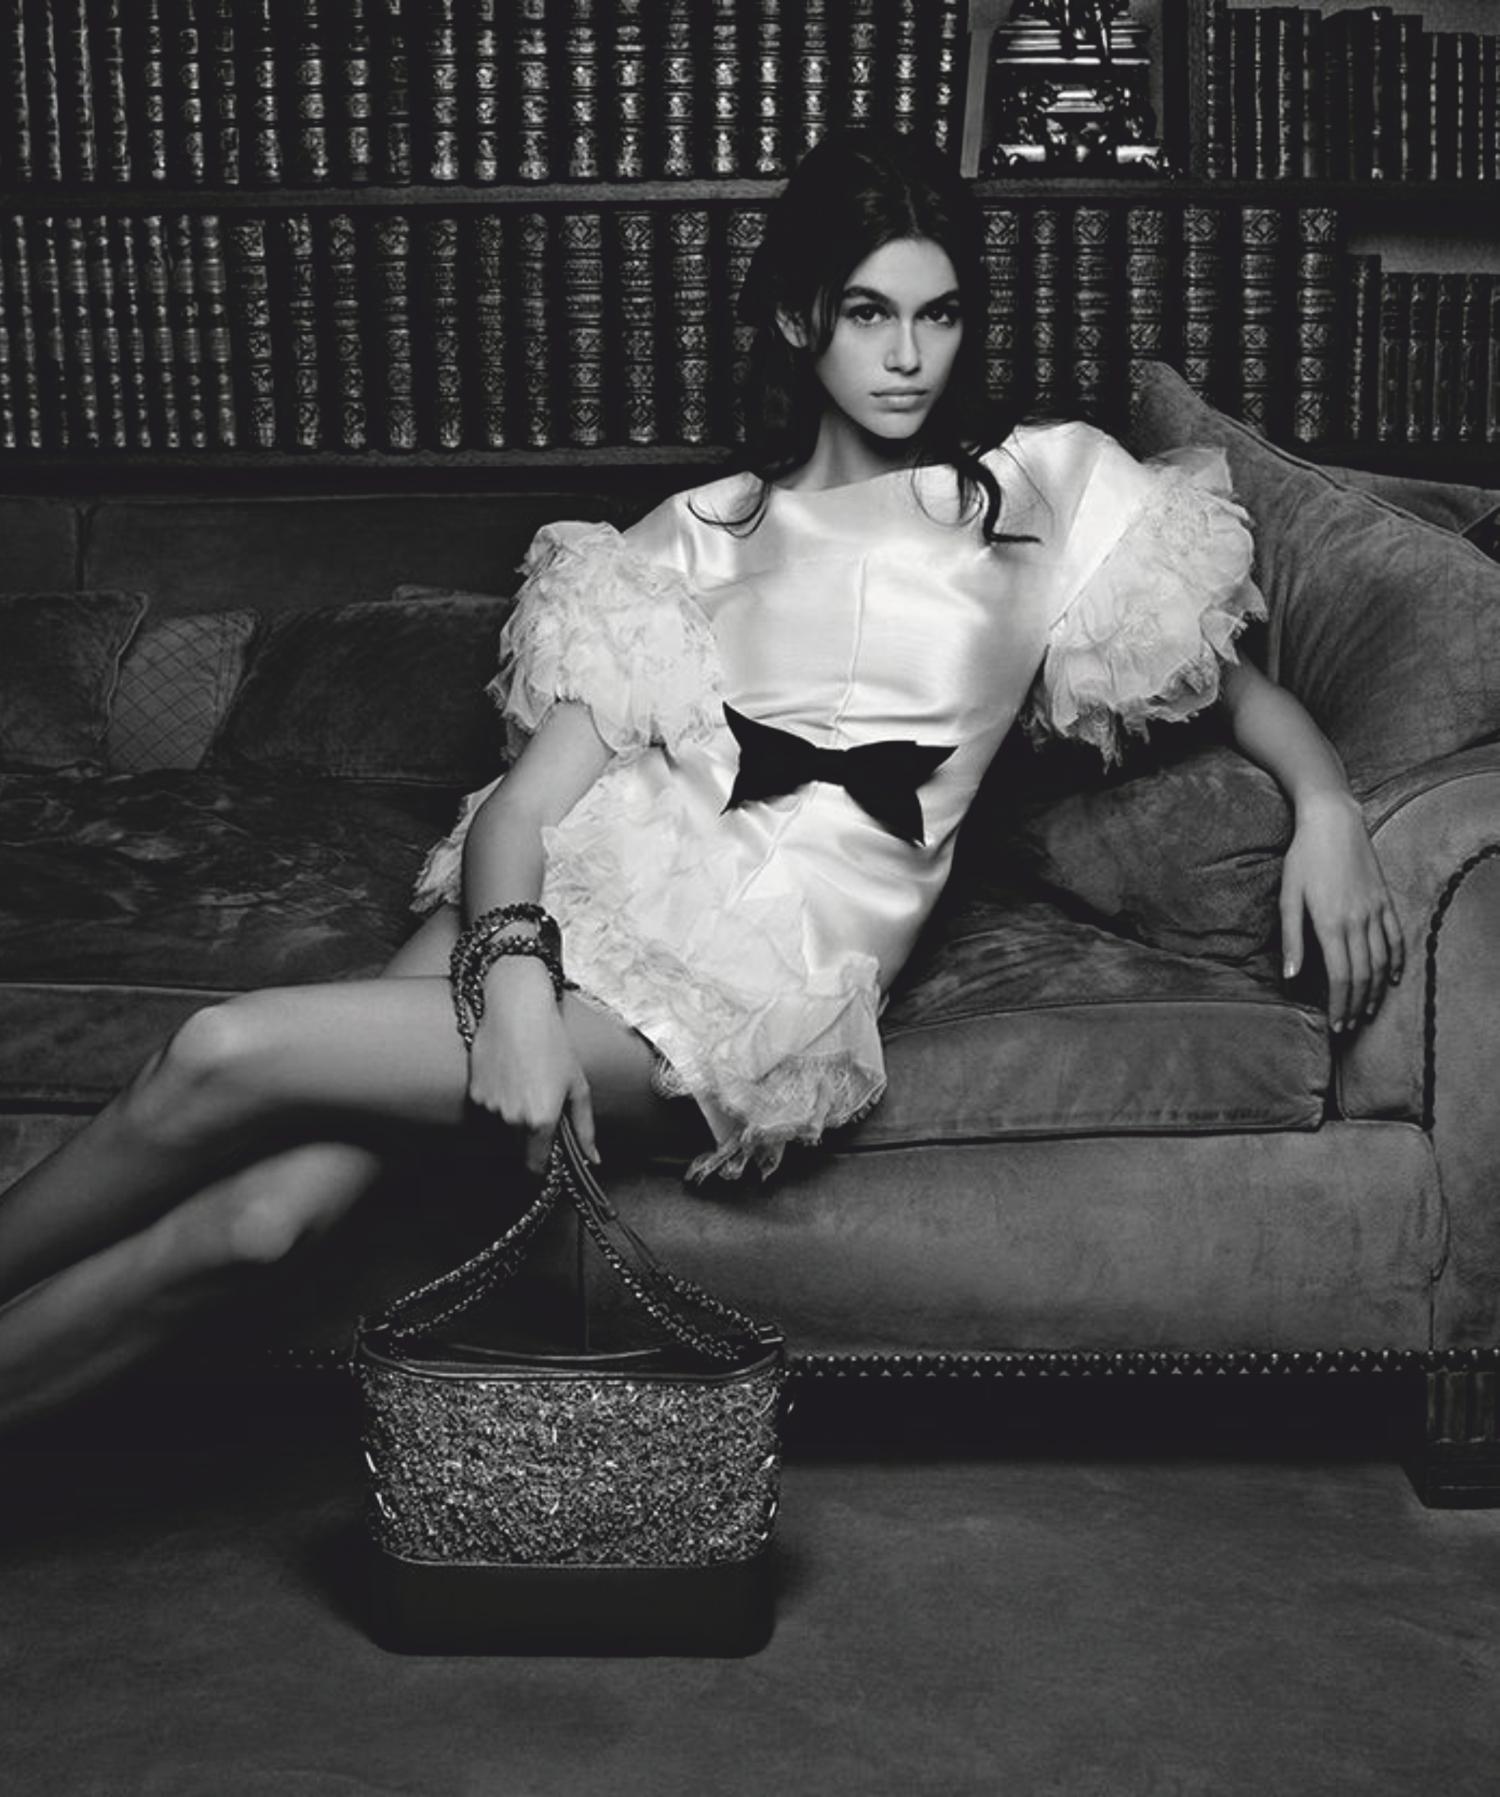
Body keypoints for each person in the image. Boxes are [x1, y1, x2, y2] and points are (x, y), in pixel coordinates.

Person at [0, 129, 1401, 1435]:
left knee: (223, 1049)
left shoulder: (1042, 495)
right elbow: (525, 813)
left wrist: (1330, 808)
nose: (907, 355)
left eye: (939, 314)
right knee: (259, 1225)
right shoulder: (693, 535)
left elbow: (1241, 688)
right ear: (797, 318)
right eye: (868, 312)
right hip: (554, 906)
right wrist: (516, 990)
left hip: (745, 981)